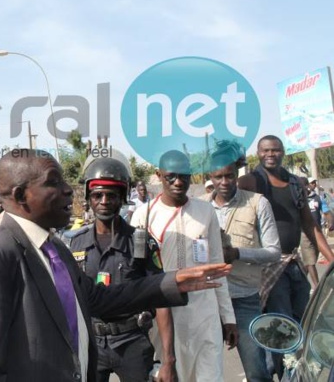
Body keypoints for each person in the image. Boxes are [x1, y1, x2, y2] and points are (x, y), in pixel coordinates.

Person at [0, 149, 232, 382]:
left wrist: (170, 282)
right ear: (20, 196)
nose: (68, 190)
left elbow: (97, 299)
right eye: (54, 182)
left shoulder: (54, 249)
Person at [130, 150, 237, 382]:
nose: (178, 182)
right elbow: (136, 274)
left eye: (184, 176)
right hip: (164, 318)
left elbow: (218, 266)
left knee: (209, 376)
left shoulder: (205, 211)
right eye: (171, 176)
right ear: (159, 175)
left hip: (204, 315)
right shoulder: (143, 216)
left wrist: (228, 317)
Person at [69, 157, 176, 382]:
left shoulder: (142, 243)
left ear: (123, 198)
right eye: (98, 195)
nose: (104, 201)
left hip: (132, 343)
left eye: (112, 195)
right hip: (91, 343)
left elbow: (161, 300)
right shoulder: (76, 243)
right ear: (89, 198)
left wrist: (168, 361)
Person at [238, 135, 334, 379]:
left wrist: (331, 257)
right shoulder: (250, 181)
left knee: (303, 323)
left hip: (293, 262)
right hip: (269, 266)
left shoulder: (294, 183)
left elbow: (309, 224)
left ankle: (295, 374)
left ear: (283, 152)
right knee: (281, 329)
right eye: (266, 150)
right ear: (258, 154)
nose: (271, 154)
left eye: (276, 150)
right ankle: (282, 374)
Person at [203, 143, 281, 382]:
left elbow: (274, 252)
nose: (225, 182)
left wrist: (237, 254)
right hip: (208, 300)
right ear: (210, 177)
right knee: (204, 370)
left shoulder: (258, 203)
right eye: (218, 177)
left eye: (229, 175)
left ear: (237, 173)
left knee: (256, 371)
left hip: (244, 299)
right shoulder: (198, 206)